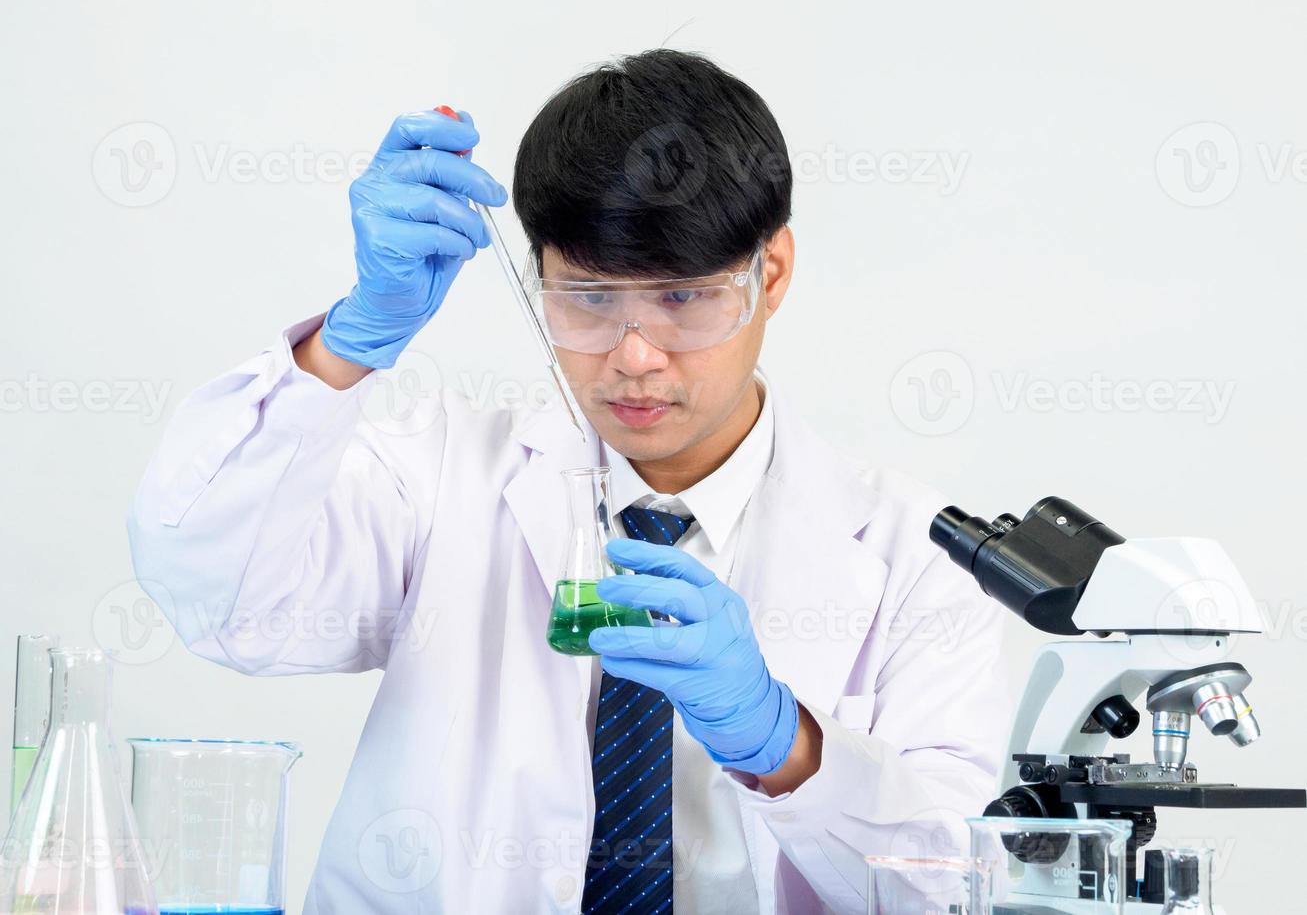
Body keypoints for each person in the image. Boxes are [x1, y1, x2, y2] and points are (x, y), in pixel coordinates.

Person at [128, 49, 1008, 914]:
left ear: (768, 274)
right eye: (587, 296)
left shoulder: (919, 557)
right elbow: (221, 599)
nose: (633, 358)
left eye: (681, 298)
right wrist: (346, 345)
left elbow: (947, 892)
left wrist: (785, 748)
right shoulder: (437, 475)